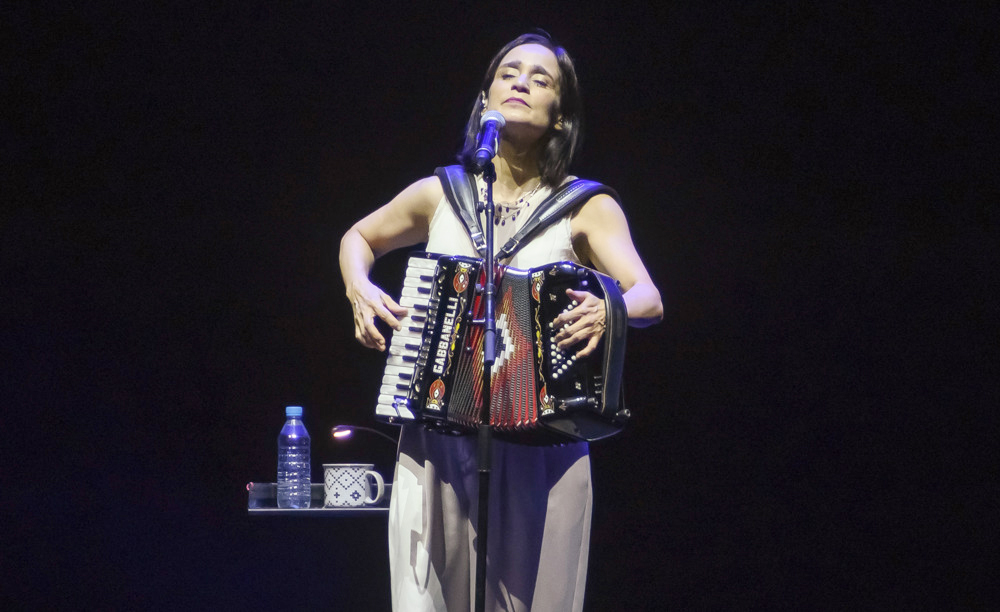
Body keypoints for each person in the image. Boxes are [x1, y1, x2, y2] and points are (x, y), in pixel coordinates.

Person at [339, 32, 662, 612]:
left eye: (541, 80)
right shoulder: (442, 193)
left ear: (560, 118)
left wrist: (609, 305)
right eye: (509, 73)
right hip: (435, 438)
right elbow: (359, 237)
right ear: (486, 97)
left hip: (542, 443)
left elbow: (648, 297)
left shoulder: (585, 205)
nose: (521, 83)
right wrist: (359, 287)